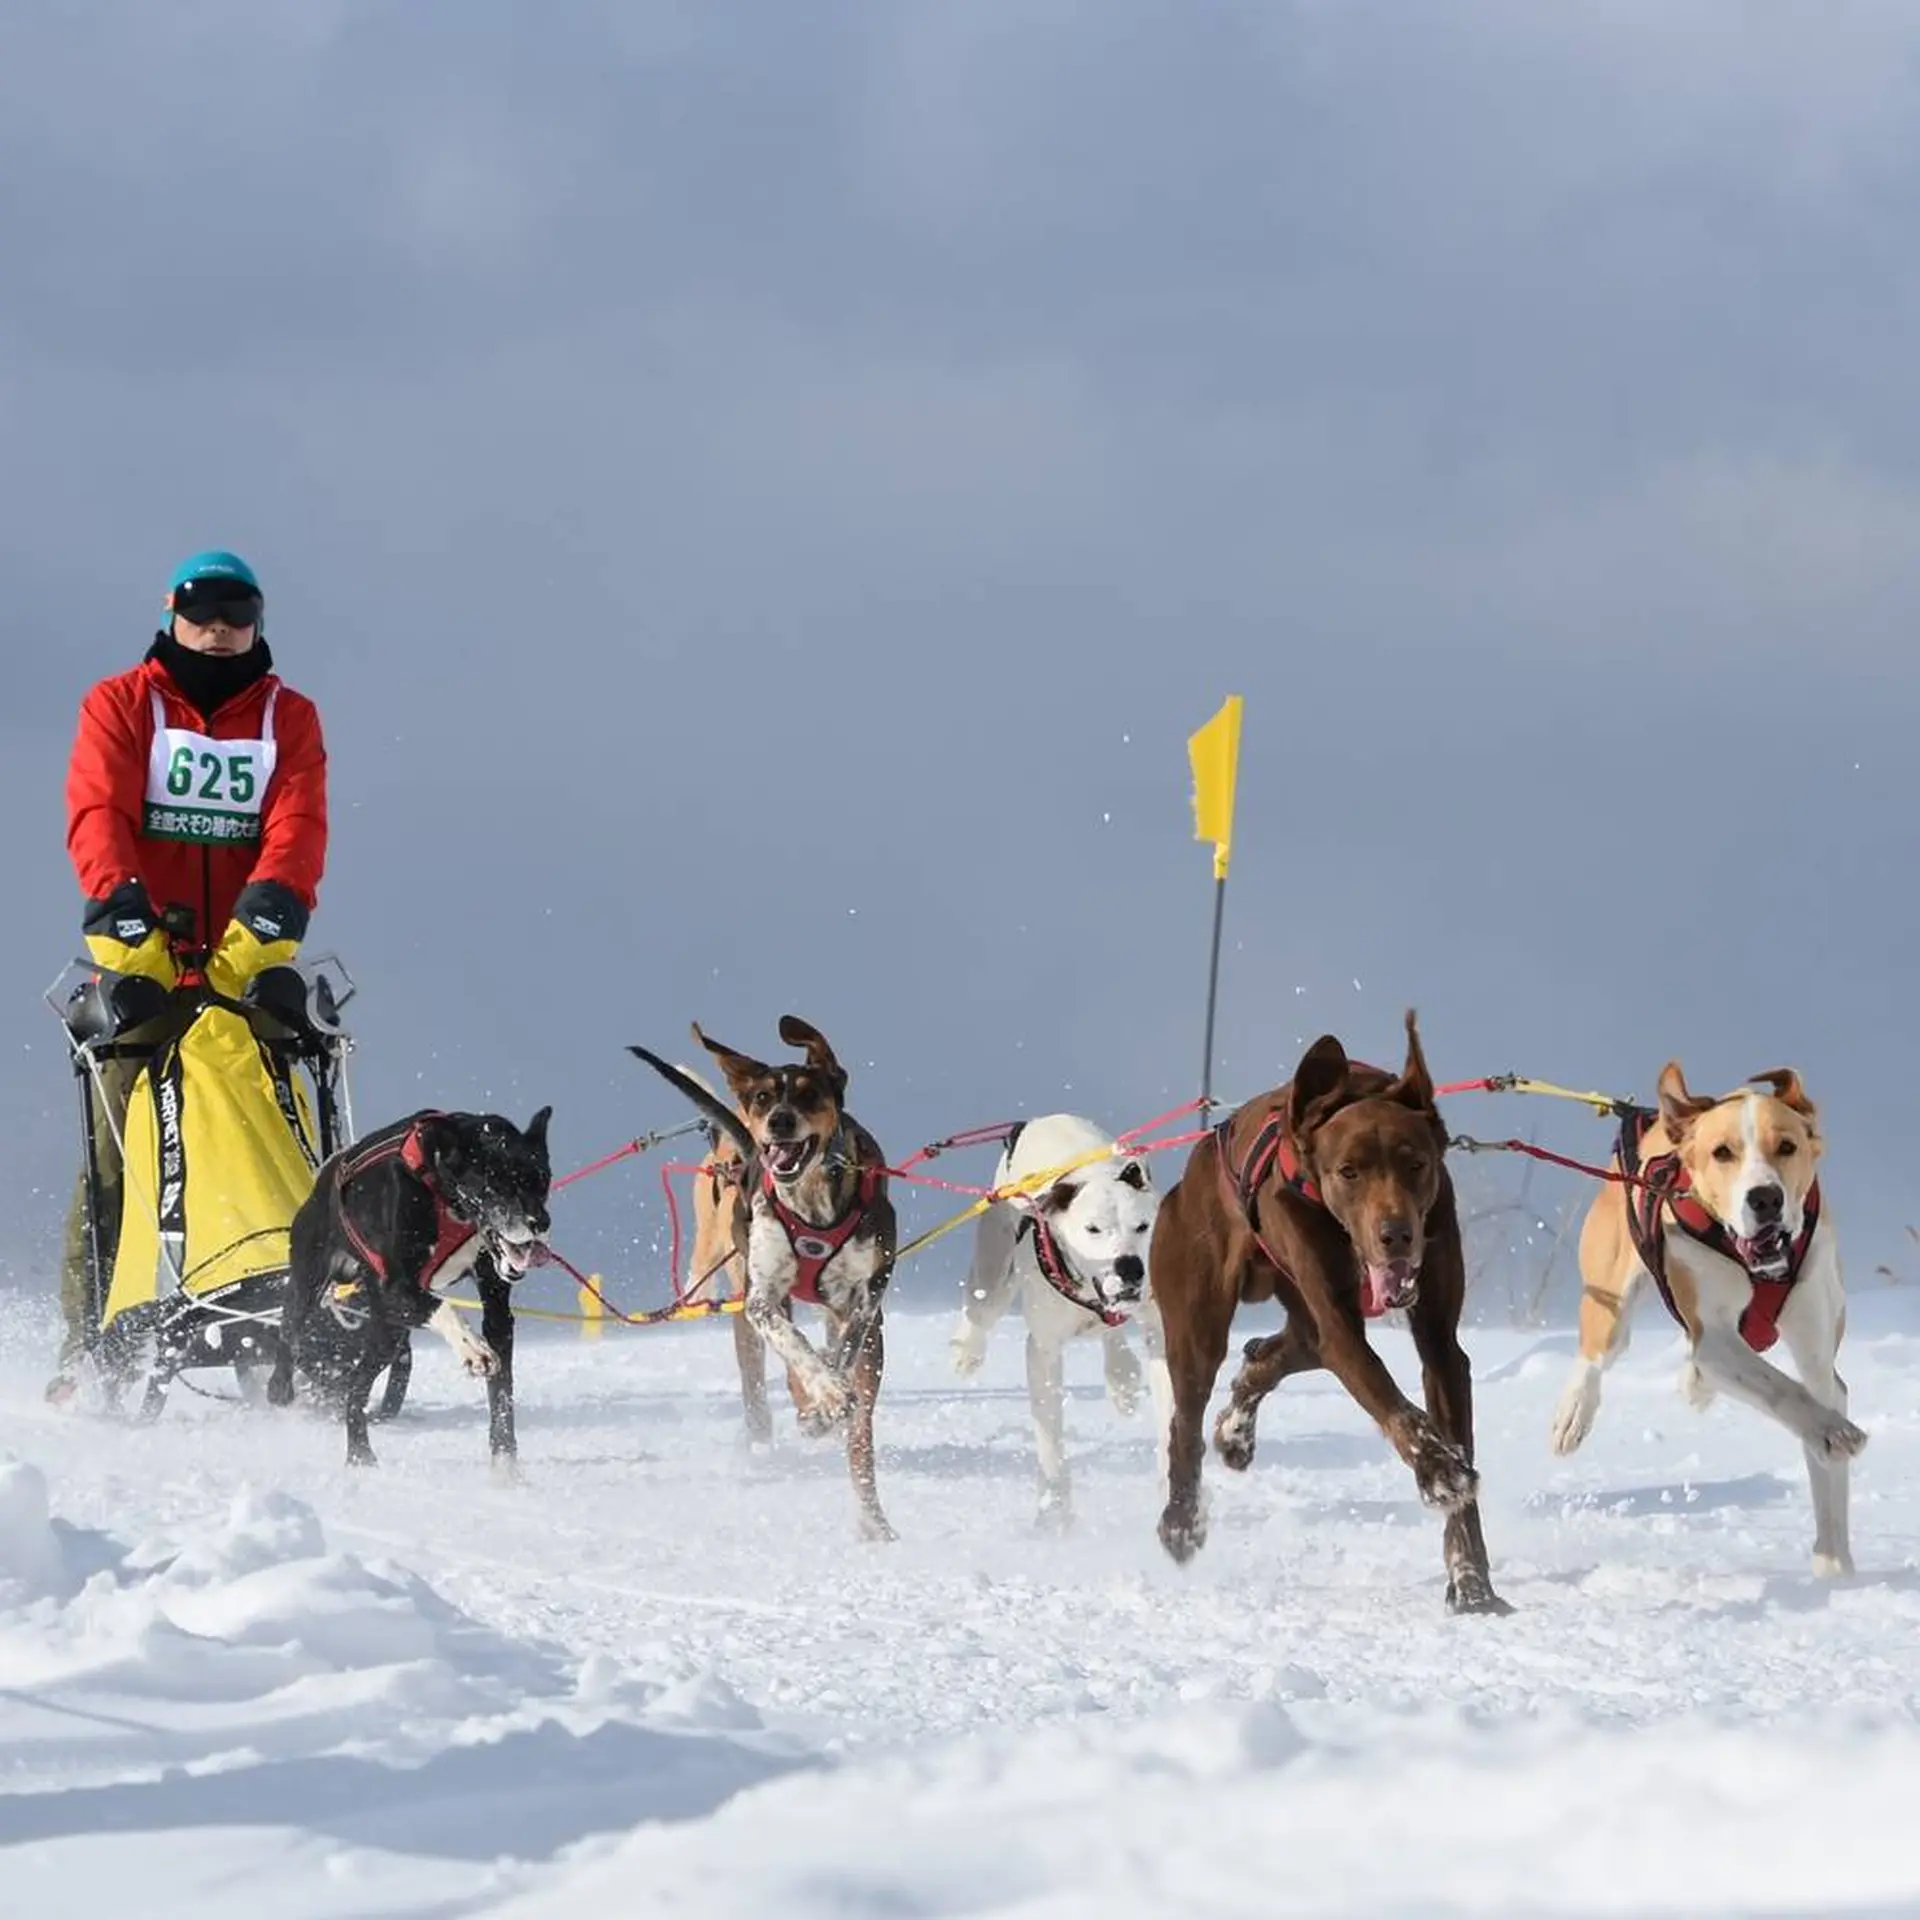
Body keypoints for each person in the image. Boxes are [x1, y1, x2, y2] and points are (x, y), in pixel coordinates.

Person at [51, 551, 328, 1400]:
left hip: (245, 962)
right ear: (171, 614)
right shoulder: (121, 704)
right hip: (144, 963)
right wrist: (129, 936)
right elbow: (98, 813)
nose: (219, 630)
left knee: (281, 1123)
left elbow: (297, 826)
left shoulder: (291, 717)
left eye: (238, 613)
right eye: (203, 612)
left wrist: (254, 942)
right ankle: (89, 1340)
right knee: (117, 1146)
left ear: (259, 622)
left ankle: (304, 1311)